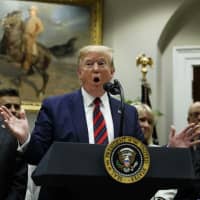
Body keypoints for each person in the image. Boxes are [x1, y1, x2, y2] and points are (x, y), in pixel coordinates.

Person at [1, 45, 200, 199]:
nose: (96, 68)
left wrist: (169, 149)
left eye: (102, 63)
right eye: (89, 64)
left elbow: (140, 159)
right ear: (79, 72)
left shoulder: (128, 112)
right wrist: (26, 138)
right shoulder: (55, 106)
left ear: (112, 72)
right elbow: (38, 156)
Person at [133, 102, 178, 200]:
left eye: (150, 122)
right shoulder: (117, 150)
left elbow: (168, 185)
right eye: (142, 120)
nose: (146, 125)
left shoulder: (159, 153)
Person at [0, 88, 28, 200]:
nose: (12, 110)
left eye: (16, 107)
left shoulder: (26, 139)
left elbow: (19, 182)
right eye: (7, 106)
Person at [22, 5, 44, 73]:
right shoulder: (26, 19)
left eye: (32, 10)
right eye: (30, 10)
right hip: (24, 35)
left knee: (28, 49)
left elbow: (41, 28)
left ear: (35, 12)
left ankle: (27, 64)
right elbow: (23, 27)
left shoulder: (37, 19)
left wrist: (34, 34)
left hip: (30, 37)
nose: (31, 12)